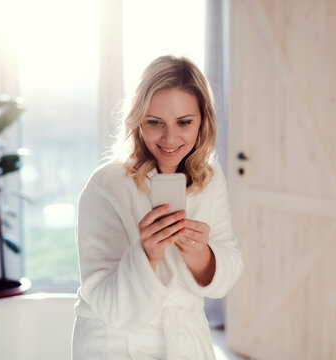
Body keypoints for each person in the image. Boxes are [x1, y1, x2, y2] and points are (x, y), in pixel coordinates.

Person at [72, 55, 243, 359]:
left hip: (186, 340)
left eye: (184, 122)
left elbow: (226, 272)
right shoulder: (107, 185)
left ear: (202, 119)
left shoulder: (210, 179)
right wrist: (147, 255)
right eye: (155, 123)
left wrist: (198, 253)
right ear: (139, 120)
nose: (170, 138)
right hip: (114, 342)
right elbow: (105, 299)